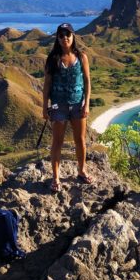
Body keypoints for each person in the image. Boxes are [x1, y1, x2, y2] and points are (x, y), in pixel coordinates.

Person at [41, 22, 92, 191]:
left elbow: (87, 81)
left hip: (78, 105)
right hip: (58, 106)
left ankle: (82, 170)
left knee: (80, 141)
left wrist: (87, 103)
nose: (65, 38)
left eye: (67, 34)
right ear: (57, 38)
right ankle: (55, 177)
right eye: (61, 35)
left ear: (73, 36)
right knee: (57, 142)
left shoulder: (82, 57)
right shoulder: (53, 59)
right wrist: (44, 107)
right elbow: (47, 84)